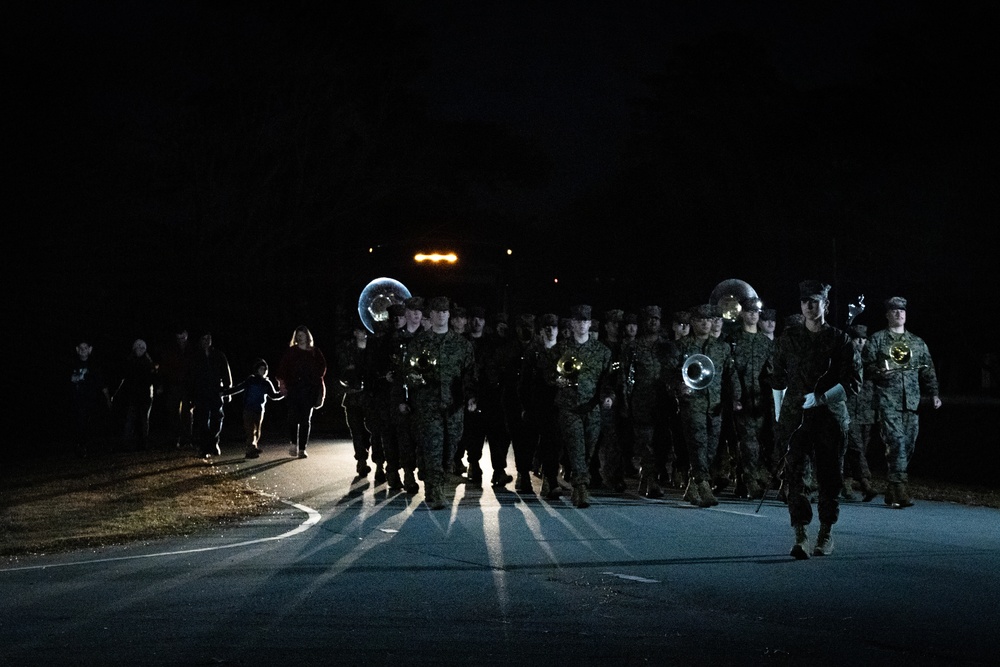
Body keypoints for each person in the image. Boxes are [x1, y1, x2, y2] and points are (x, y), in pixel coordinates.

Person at [770, 281, 862, 559]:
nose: (809, 306)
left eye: (815, 301)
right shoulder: (789, 338)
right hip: (795, 417)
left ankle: (826, 533)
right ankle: (800, 534)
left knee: (829, 476)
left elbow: (853, 383)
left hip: (829, 418)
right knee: (795, 476)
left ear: (826, 305)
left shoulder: (839, 339)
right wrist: (779, 412)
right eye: (805, 302)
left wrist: (822, 398)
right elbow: (777, 377)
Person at [861, 296, 941, 508]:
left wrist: (933, 393)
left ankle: (891, 488)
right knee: (896, 443)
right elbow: (864, 367)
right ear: (887, 314)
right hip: (888, 400)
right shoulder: (877, 340)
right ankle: (900, 489)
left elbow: (927, 369)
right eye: (894, 310)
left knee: (909, 444)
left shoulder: (917, 342)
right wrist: (879, 373)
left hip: (911, 401)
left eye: (902, 310)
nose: (898, 313)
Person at [403, 296, 477, 510]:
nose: (441, 315)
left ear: (449, 315)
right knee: (433, 446)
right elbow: (409, 371)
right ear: (431, 315)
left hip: (454, 406)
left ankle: (434, 478)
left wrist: (471, 396)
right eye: (437, 312)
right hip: (428, 405)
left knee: (449, 448)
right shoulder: (419, 343)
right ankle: (435, 489)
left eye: (444, 312)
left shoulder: (462, 344)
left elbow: (469, 374)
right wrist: (417, 379)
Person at [667, 304, 741, 508]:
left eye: (709, 320)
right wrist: (678, 387)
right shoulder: (682, 346)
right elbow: (669, 373)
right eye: (701, 320)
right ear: (693, 322)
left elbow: (731, 374)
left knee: (711, 448)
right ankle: (704, 485)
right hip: (692, 403)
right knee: (698, 444)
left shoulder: (722, 347)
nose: (706, 323)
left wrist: (736, 397)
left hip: (715, 404)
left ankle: (692, 484)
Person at [551, 304, 614, 508]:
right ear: (572, 323)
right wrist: (555, 380)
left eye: (585, 321)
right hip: (569, 407)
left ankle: (579, 476)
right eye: (578, 321)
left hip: (592, 407)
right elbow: (548, 372)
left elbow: (609, 379)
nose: (582, 325)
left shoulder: (602, 351)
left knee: (588, 448)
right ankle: (580, 488)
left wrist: (608, 396)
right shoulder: (560, 348)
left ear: (590, 323)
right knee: (576, 445)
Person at [728, 298, 774, 498]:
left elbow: (772, 371)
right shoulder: (734, 339)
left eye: (756, 311)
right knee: (748, 441)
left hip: (761, 399)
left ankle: (741, 479)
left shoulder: (765, 342)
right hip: (742, 398)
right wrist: (735, 396)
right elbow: (730, 371)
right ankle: (751, 480)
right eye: (749, 311)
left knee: (757, 441)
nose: (753, 315)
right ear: (742, 314)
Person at [629, 305, 673, 498]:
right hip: (642, 400)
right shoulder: (633, 347)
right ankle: (651, 481)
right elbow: (626, 377)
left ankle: (648, 478)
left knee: (661, 443)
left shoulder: (668, 346)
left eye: (656, 318)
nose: (653, 322)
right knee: (646, 442)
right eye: (649, 319)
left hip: (663, 400)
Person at [519, 313, 563, 499]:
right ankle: (524, 476)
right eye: (546, 327)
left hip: (555, 405)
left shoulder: (562, 351)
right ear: (541, 330)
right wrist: (525, 406)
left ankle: (551, 480)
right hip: (535, 404)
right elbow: (524, 381)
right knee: (529, 443)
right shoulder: (533, 351)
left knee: (552, 444)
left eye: (553, 327)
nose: (550, 330)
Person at [387, 297, 425, 493]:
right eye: (412, 310)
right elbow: (390, 369)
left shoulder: (428, 337)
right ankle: (407, 474)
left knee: (422, 437)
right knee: (403, 438)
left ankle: (421, 470)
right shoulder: (394, 338)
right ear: (406, 313)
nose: (416, 314)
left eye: (419, 310)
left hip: (423, 396)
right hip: (400, 394)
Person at [276, 325, 327, 460]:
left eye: (302, 335)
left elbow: (322, 368)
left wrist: (313, 380)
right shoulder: (291, 352)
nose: (300, 337)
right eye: (298, 335)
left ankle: (302, 448)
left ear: (307, 336)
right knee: (293, 418)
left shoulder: (315, 352)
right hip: (294, 389)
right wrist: (283, 385)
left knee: (305, 419)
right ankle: (293, 443)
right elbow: (282, 369)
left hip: (309, 390)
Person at [336, 322, 376, 478]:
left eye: (365, 331)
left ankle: (372, 457)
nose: (363, 334)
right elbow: (342, 370)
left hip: (370, 396)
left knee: (371, 430)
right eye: (360, 331)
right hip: (353, 396)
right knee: (356, 430)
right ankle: (361, 460)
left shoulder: (373, 349)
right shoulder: (348, 350)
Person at [843, 325, 878, 501]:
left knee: (860, 448)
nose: (861, 342)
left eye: (864, 339)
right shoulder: (845, 357)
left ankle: (847, 481)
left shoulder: (871, 359)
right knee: (855, 447)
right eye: (858, 339)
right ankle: (866, 484)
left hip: (866, 411)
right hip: (848, 409)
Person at [223, 358, 283, 458]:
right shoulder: (250, 380)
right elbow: (238, 388)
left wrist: (283, 393)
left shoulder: (266, 383)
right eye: (261, 369)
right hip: (248, 409)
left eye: (264, 369)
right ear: (256, 370)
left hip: (259, 410)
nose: (263, 371)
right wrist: (225, 393)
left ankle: (253, 448)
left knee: (257, 431)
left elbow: (273, 395)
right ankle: (250, 450)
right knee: (250, 431)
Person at [187, 331, 233, 459]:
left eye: (208, 338)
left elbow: (226, 373)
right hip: (200, 392)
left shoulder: (218, 355)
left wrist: (227, 391)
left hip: (216, 391)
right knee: (202, 419)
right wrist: (192, 395)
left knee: (217, 418)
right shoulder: (195, 357)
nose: (206, 341)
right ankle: (204, 447)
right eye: (204, 338)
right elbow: (191, 377)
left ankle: (214, 443)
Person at [69, 340, 111, 457]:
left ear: (90, 349)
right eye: (81, 348)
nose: (83, 350)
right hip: (76, 402)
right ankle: (80, 447)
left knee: (91, 425)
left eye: (86, 347)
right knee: (79, 425)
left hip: (92, 402)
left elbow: (103, 385)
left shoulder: (95, 366)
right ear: (77, 349)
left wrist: (108, 399)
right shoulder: (72, 364)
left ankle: (90, 448)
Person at [115, 338, 158, 452]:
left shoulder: (149, 363)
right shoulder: (129, 361)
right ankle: (126, 443)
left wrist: (157, 387)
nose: (140, 349)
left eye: (142, 347)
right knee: (130, 419)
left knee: (144, 420)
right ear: (134, 349)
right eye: (137, 347)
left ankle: (144, 443)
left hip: (145, 395)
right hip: (132, 396)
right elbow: (123, 378)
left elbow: (154, 378)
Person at [157, 327, 194, 449]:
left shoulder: (192, 349)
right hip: (174, 384)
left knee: (187, 413)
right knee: (173, 411)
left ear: (186, 335)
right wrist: (162, 384)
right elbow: (164, 367)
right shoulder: (171, 349)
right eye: (179, 338)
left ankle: (187, 439)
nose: (181, 340)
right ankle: (176, 437)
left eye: (183, 337)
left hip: (188, 385)